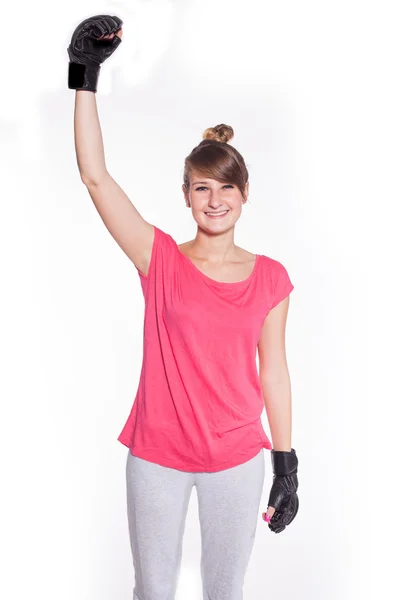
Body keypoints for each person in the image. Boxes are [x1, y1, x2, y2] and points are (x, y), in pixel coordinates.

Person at [67, 14, 299, 600]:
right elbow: (95, 178)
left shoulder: (270, 277)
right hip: (158, 457)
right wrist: (84, 75)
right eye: (202, 187)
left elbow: (273, 370)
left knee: (225, 592)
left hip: (236, 459)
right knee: (154, 590)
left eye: (226, 188)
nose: (215, 200)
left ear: (244, 195)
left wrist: (287, 461)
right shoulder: (159, 259)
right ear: (187, 195)